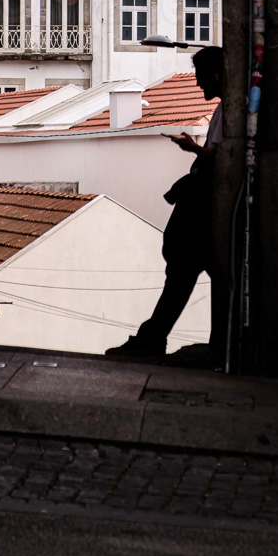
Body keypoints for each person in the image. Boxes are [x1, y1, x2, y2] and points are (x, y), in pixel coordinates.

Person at [105, 45, 222, 360]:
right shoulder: (224, 110)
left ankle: (157, 339)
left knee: (184, 272)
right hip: (204, 206)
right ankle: (161, 338)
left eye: (201, 75)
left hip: (205, 208)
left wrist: (193, 149)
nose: (198, 83)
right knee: (188, 274)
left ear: (216, 74)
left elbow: (224, 158)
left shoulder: (230, 112)